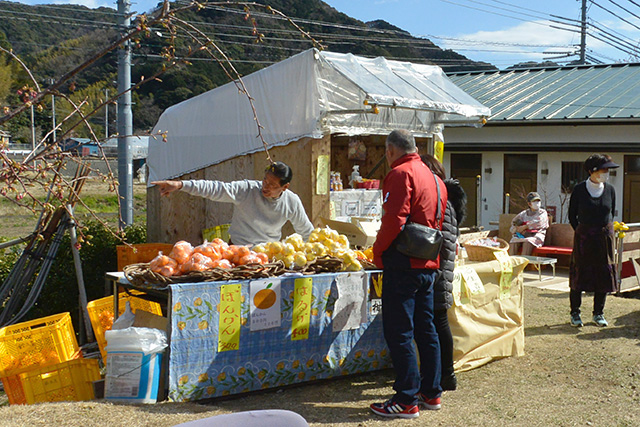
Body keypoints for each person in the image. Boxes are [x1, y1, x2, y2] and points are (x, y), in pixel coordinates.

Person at [370, 130, 447, 419]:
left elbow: (394, 219)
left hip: (403, 264)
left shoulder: (401, 173)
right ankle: (431, 391)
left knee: (399, 330)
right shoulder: (435, 177)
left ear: (391, 151)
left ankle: (405, 397)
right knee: (425, 329)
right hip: (428, 262)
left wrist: (377, 253)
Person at [151, 161, 314, 246]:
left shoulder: (291, 202)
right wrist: (180, 185)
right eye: (265, 180)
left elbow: (306, 231)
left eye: (273, 185)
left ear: (285, 187)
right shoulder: (248, 190)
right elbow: (216, 189)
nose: (266, 186)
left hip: (269, 257)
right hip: (238, 252)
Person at [421, 154, 467, 392]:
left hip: (437, 269)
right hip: (440, 268)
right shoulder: (444, 199)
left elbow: (444, 242)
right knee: (439, 322)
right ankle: (444, 375)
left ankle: (445, 375)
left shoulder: (441, 201)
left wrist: (435, 271)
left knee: (437, 322)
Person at [568, 154, 619, 327]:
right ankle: (575, 313)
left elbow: (611, 211)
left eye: (607, 170)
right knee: (580, 273)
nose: (606, 173)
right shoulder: (580, 189)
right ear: (591, 171)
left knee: (603, 274)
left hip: (604, 238)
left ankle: (598, 313)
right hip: (584, 237)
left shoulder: (610, 189)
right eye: (603, 169)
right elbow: (572, 215)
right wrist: (582, 231)